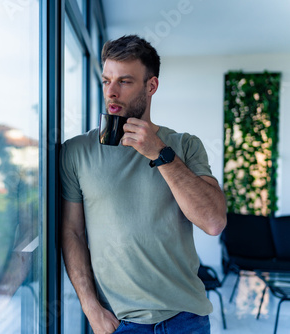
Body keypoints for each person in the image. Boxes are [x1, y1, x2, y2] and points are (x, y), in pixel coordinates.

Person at [60, 34, 227, 334]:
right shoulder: (76, 151)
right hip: (118, 323)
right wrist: (90, 307)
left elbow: (213, 222)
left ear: (151, 86)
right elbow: (71, 231)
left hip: (186, 319)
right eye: (106, 80)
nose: (111, 92)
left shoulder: (184, 146)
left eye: (124, 82)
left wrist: (160, 154)